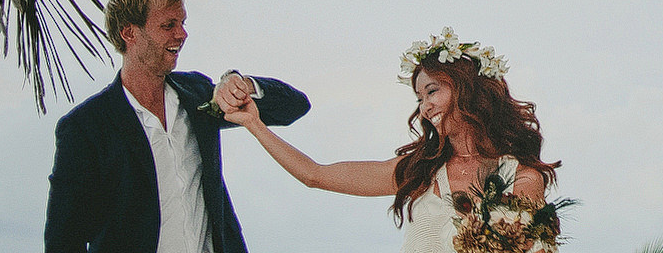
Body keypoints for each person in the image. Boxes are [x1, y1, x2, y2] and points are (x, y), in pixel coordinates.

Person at [224, 28, 559, 253]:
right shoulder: (419, 172)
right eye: (419, 98)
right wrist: (255, 125)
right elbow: (316, 175)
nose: (425, 107)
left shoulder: (521, 178)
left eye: (432, 91)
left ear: (467, 89)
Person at [45, 0, 312, 253]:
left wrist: (245, 86)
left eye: (182, 23)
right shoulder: (85, 127)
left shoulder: (197, 94)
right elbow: (64, 239)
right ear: (129, 33)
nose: (182, 34)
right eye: (168, 25)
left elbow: (295, 106)